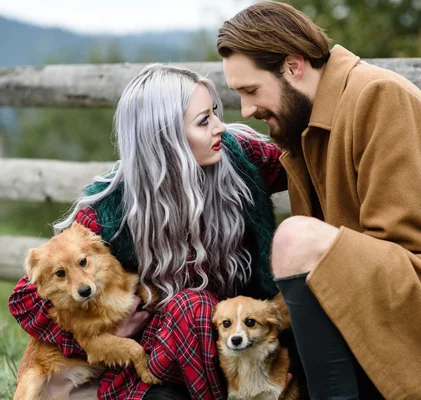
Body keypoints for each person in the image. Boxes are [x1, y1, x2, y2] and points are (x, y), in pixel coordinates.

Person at [217, 2, 421, 399]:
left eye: (251, 90)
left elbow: (402, 243)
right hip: (388, 292)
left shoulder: (379, 97)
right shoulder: (303, 128)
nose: (247, 109)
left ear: (293, 66)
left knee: (295, 238)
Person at [9, 63, 287, 400]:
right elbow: (26, 300)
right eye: (204, 121)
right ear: (164, 137)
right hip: (166, 347)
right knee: (191, 307)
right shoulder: (113, 208)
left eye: (214, 113)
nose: (220, 127)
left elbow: (306, 160)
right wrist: (105, 332)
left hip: (243, 330)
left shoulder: (239, 157)